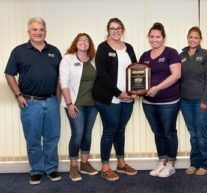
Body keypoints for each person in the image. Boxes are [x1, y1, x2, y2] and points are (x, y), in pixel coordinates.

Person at [4, 17, 62, 185]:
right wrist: (18, 95)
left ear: (45, 32)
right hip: (30, 102)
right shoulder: (19, 51)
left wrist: (57, 99)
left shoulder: (54, 51)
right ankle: (36, 169)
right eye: (34, 30)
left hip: (51, 101)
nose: (38, 33)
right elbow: (9, 74)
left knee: (52, 137)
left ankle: (51, 168)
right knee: (33, 137)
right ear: (28, 32)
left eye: (41, 30)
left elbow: (60, 77)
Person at [92, 18, 138, 181]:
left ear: (123, 29)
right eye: (112, 28)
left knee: (121, 130)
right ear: (108, 30)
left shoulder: (129, 48)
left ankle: (121, 163)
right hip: (109, 97)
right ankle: (105, 167)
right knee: (109, 130)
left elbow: (136, 70)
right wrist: (118, 93)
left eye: (118, 28)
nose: (115, 30)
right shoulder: (103, 48)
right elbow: (102, 75)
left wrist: (136, 90)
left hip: (128, 97)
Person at [139, 22, 181, 178]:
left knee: (169, 132)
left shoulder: (171, 53)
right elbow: (139, 77)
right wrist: (137, 91)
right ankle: (162, 161)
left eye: (158, 36)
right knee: (157, 133)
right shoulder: (144, 56)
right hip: (149, 103)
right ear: (148, 38)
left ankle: (170, 164)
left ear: (163, 38)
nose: (154, 39)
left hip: (168, 102)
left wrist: (157, 88)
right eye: (151, 36)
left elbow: (176, 75)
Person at [60, 33, 98, 181]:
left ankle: (84, 163)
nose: (83, 42)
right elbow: (64, 83)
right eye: (81, 40)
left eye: (86, 41)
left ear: (90, 44)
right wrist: (69, 104)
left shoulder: (93, 60)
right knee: (77, 134)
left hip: (92, 105)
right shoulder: (68, 59)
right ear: (75, 43)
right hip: (75, 105)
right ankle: (74, 166)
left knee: (87, 134)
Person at [180, 26, 207, 176]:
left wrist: (205, 100)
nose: (193, 39)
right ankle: (194, 163)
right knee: (193, 134)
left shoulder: (206, 55)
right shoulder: (180, 55)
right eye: (190, 37)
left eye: (196, 37)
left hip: (202, 101)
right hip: (185, 102)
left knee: (201, 133)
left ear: (200, 39)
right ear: (187, 37)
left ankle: (205, 164)